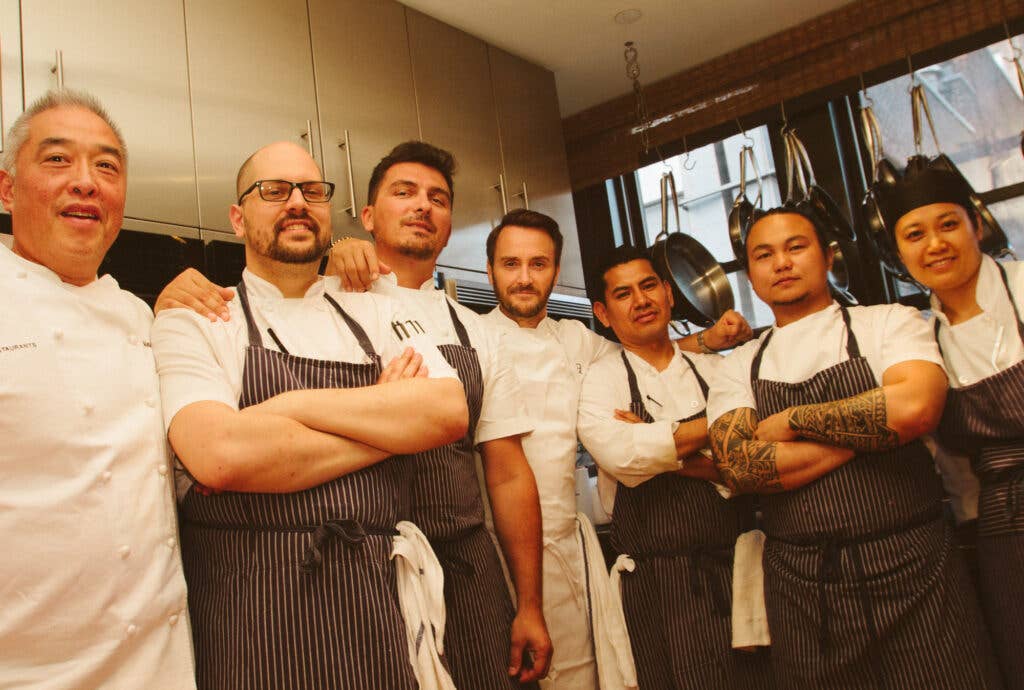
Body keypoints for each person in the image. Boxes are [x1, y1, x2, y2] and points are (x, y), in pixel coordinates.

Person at [151, 141, 469, 690]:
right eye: (274, 191)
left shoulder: (376, 305)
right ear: (237, 216)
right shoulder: (199, 317)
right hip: (249, 604)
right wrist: (392, 430)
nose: (297, 202)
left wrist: (288, 409)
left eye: (312, 191)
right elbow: (219, 455)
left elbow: (447, 411)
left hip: (376, 599)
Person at [287, 140, 552, 687]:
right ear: (367, 216)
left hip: (466, 565)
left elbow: (506, 472)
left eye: (438, 198)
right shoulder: (318, 300)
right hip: (359, 563)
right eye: (403, 192)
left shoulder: (475, 330)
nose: (422, 206)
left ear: (450, 222)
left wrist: (529, 603)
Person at [706, 206, 1003, 688]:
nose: (781, 263)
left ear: (827, 257)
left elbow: (916, 409)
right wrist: (873, 435)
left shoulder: (889, 322)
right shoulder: (738, 363)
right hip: (805, 591)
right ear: (751, 274)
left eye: (795, 247)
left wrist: (793, 421)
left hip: (917, 567)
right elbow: (741, 467)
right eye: (764, 255)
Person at [482, 209, 752, 688]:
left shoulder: (578, 341)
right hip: (486, 543)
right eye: (511, 264)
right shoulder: (468, 335)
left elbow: (649, 347)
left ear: (556, 272)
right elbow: (626, 453)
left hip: (564, 542)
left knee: (578, 676)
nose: (525, 278)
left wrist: (707, 343)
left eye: (538, 264)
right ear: (490, 271)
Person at [0, 89, 196, 688]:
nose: (86, 182)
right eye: (57, 160)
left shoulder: (141, 319)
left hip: (160, 665)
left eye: (106, 166)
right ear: (6, 188)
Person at [575, 245, 769, 690]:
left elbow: (751, 460)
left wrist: (656, 436)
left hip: (738, 570)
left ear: (667, 292)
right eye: (623, 294)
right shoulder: (598, 381)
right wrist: (716, 436)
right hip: (656, 588)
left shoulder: (720, 370)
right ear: (603, 314)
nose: (641, 301)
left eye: (648, 287)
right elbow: (623, 457)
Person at [886, 167, 1024, 690]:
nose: (935, 245)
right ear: (900, 256)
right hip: (1001, 532)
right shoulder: (921, 342)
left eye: (948, 225)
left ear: (977, 226)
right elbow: (955, 470)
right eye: (914, 235)